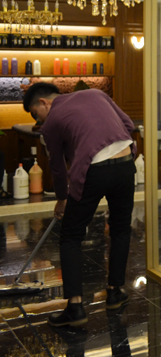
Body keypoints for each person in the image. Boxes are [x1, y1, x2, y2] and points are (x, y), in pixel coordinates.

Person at [23, 82, 136, 327]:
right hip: (126, 164)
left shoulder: (51, 123)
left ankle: (75, 307)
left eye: (35, 114)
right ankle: (115, 292)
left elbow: (57, 167)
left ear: (44, 102)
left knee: (71, 235)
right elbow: (128, 125)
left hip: (94, 170)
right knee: (120, 229)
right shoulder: (96, 94)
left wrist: (62, 200)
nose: (38, 120)